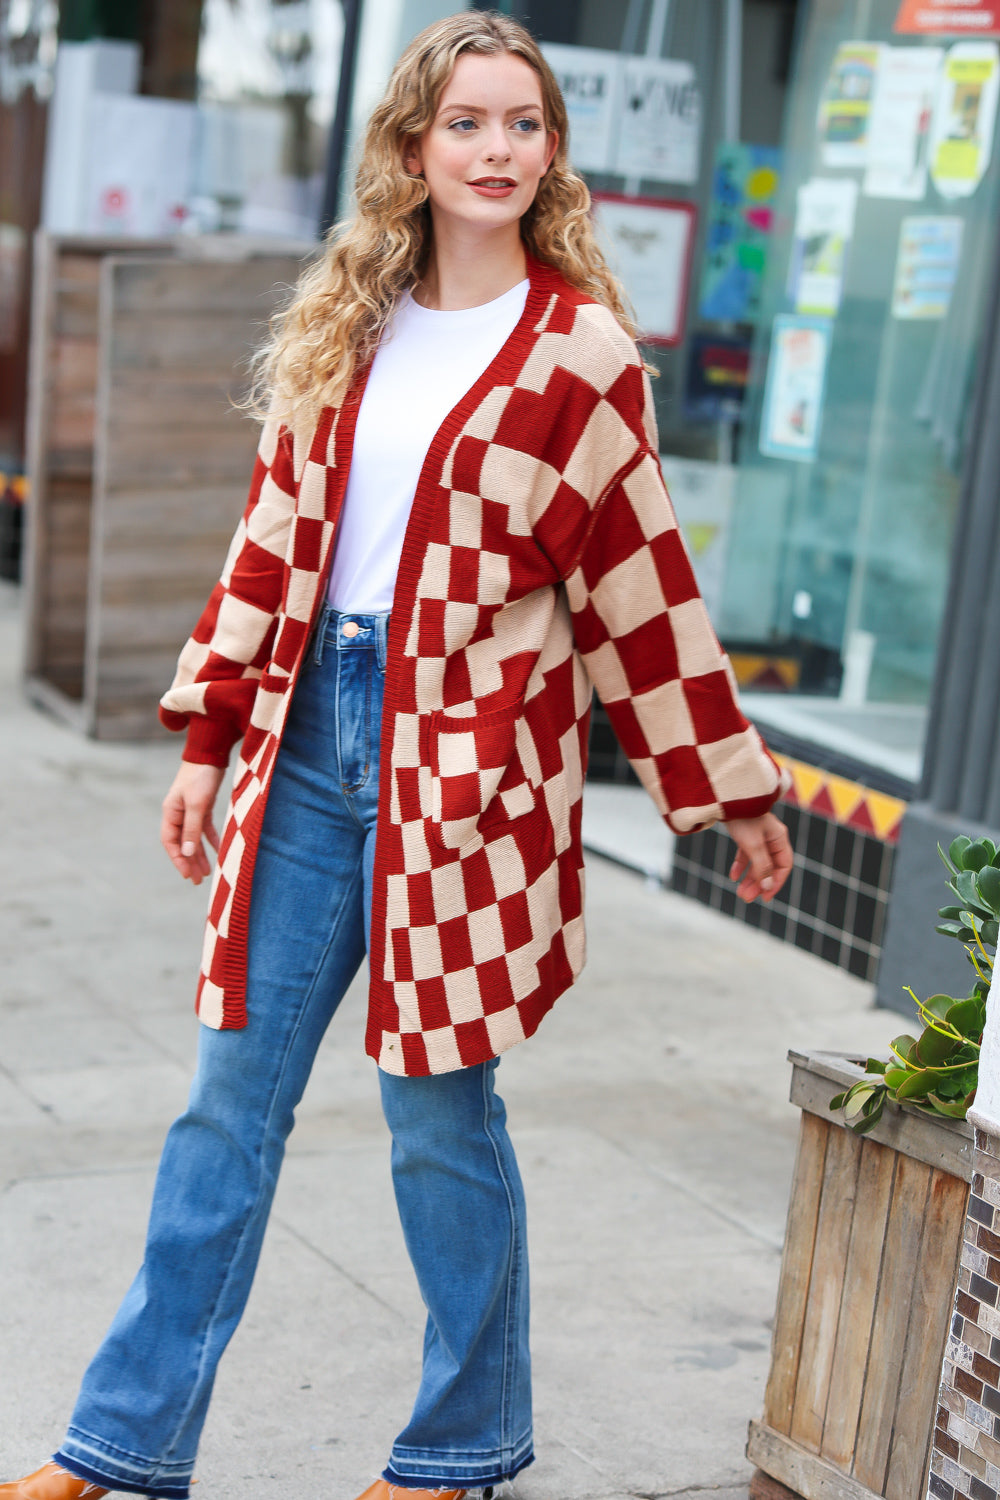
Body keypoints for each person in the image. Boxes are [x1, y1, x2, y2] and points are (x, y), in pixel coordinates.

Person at [2, 13, 793, 1500]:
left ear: (551, 151)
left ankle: (460, 1451)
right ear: (414, 150)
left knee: (439, 1119)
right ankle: (117, 1446)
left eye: (526, 125)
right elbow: (267, 544)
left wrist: (728, 788)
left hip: (469, 773)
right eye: (470, 124)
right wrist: (210, 738)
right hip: (311, 740)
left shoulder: (583, 358)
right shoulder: (347, 325)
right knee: (227, 1102)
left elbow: (648, 595)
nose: (500, 151)